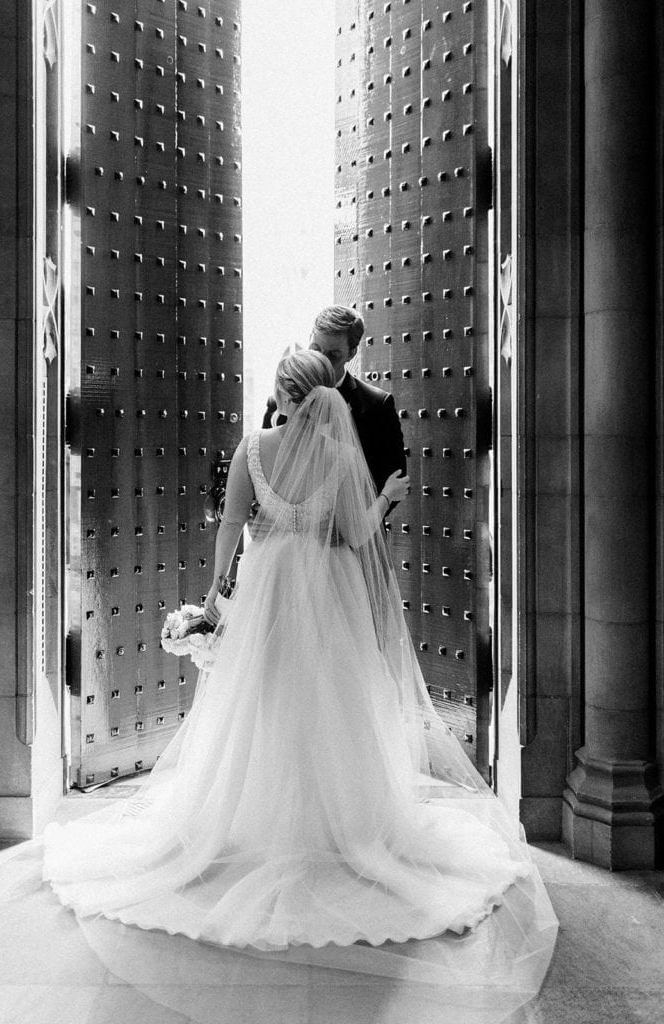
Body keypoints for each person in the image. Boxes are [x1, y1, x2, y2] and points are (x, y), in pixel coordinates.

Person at [42, 350, 557, 1021]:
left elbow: (231, 529)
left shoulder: (252, 449)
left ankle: (250, 822)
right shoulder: (341, 460)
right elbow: (353, 535)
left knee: (259, 707)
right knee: (332, 710)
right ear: (326, 394)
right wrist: (387, 498)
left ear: (283, 393)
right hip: (329, 598)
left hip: (266, 593)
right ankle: (341, 827)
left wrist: (210, 604)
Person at [263, 305, 406, 503]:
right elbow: (265, 471)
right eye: (315, 349)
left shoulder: (377, 405)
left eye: (333, 355)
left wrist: (357, 523)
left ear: (352, 353)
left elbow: (394, 479)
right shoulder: (280, 400)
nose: (321, 359)